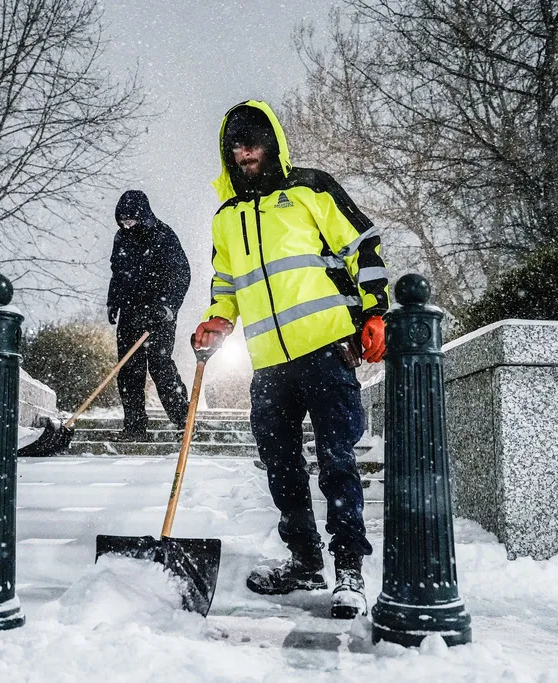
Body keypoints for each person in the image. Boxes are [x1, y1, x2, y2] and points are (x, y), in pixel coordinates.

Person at [193, 101, 389, 619]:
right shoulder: (225, 218)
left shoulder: (311, 189)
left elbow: (362, 248)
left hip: (325, 350)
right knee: (280, 466)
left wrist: (376, 311)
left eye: (254, 141)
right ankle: (305, 561)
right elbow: (227, 285)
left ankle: (348, 571)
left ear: (273, 143)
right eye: (236, 145)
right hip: (269, 364)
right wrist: (218, 319)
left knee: (336, 462)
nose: (245, 151)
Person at [107, 190, 191, 441]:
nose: (127, 225)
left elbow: (181, 274)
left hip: (158, 315)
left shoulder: (164, 236)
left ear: (143, 216)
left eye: (131, 219)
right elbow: (117, 273)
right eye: (123, 220)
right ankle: (134, 428)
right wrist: (113, 301)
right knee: (128, 369)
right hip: (130, 312)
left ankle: (184, 421)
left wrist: (166, 307)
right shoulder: (121, 238)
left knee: (160, 366)